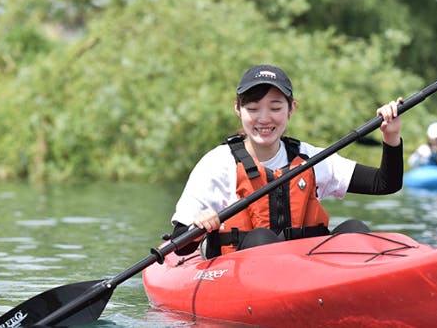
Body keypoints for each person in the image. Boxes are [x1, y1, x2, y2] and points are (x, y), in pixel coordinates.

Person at [170, 64, 404, 259]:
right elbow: (181, 245)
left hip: (305, 272)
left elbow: (385, 183)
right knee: (262, 240)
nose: (263, 119)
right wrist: (199, 227)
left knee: (355, 230)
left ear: (291, 109)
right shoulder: (217, 164)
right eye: (253, 108)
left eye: (275, 108)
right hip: (242, 274)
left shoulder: (311, 158)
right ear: (238, 109)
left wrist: (391, 137)